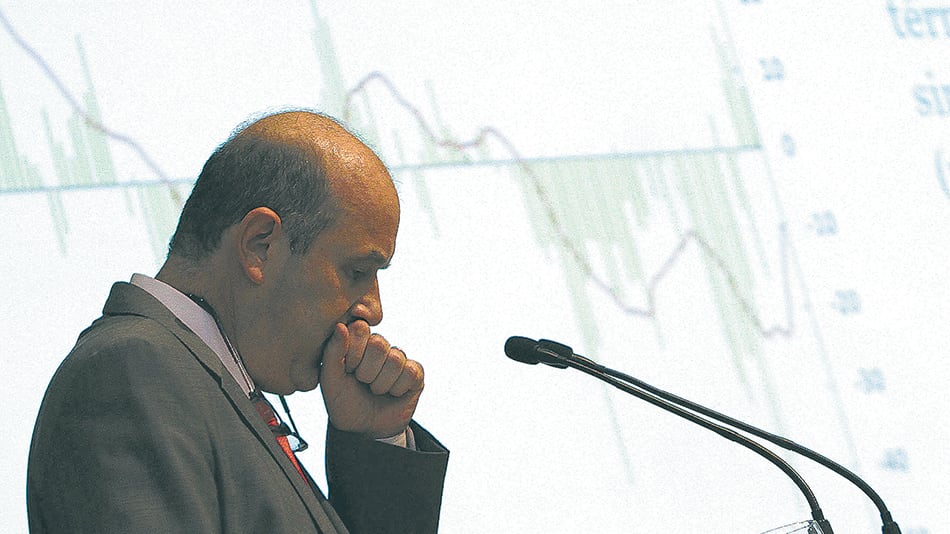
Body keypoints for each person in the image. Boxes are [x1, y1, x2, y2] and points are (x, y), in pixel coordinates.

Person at [26, 110, 449, 533]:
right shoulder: (130, 374)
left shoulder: (194, 381)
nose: (373, 309)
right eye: (357, 271)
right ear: (259, 246)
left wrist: (376, 439)